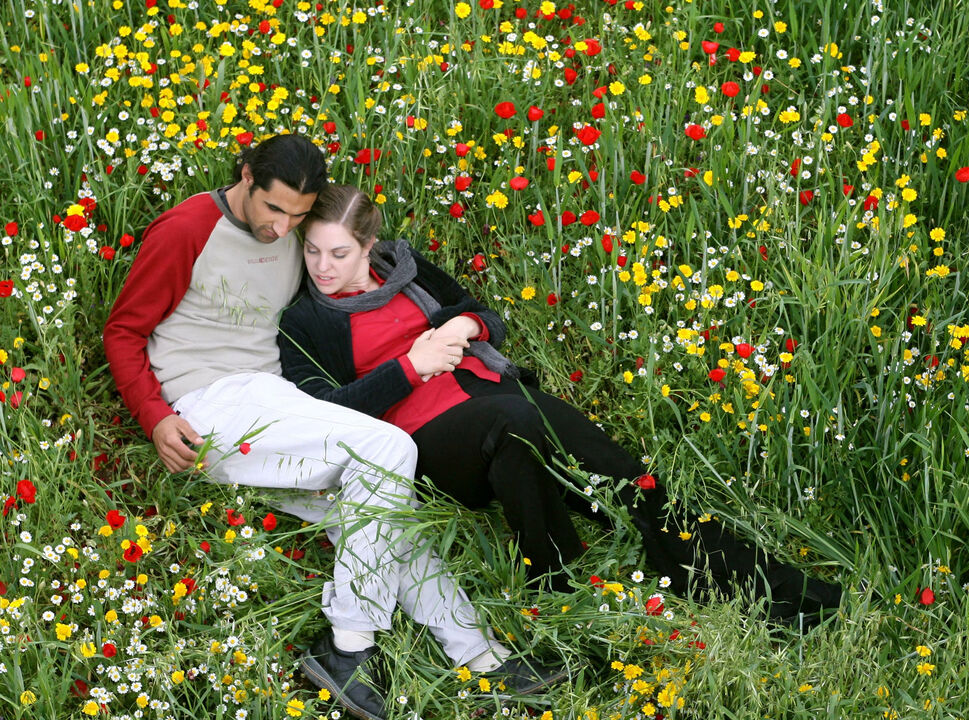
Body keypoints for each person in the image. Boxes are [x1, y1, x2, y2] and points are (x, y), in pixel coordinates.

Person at [103, 137, 560, 720]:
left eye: (297, 216)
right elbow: (122, 331)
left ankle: (480, 657)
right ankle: (348, 647)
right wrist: (157, 415)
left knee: (381, 514)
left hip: (275, 407)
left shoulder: (296, 233)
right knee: (388, 448)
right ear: (245, 176)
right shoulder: (188, 227)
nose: (282, 228)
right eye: (273, 210)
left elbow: (340, 263)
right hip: (211, 403)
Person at [277, 185, 843, 623]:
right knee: (518, 421)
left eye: (339, 252)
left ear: (369, 246)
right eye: (312, 250)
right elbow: (325, 408)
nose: (322, 267)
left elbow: (481, 314)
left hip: (485, 392)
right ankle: (561, 589)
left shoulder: (405, 267)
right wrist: (411, 366)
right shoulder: (306, 319)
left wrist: (464, 325)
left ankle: (767, 590)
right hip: (423, 437)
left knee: (626, 476)